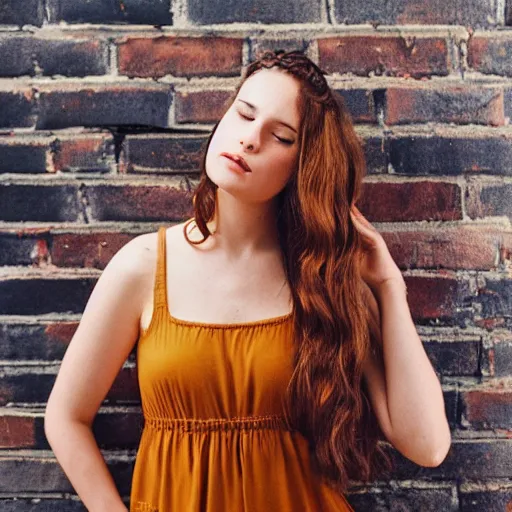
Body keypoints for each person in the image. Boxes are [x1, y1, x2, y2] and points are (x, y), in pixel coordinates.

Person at [44, 50, 452, 511]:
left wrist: (388, 286)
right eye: (243, 113)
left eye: (281, 136)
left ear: (304, 168)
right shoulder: (142, 266)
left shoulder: (324, 281)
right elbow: (65, 417)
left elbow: (428, 445)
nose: (250, 139)